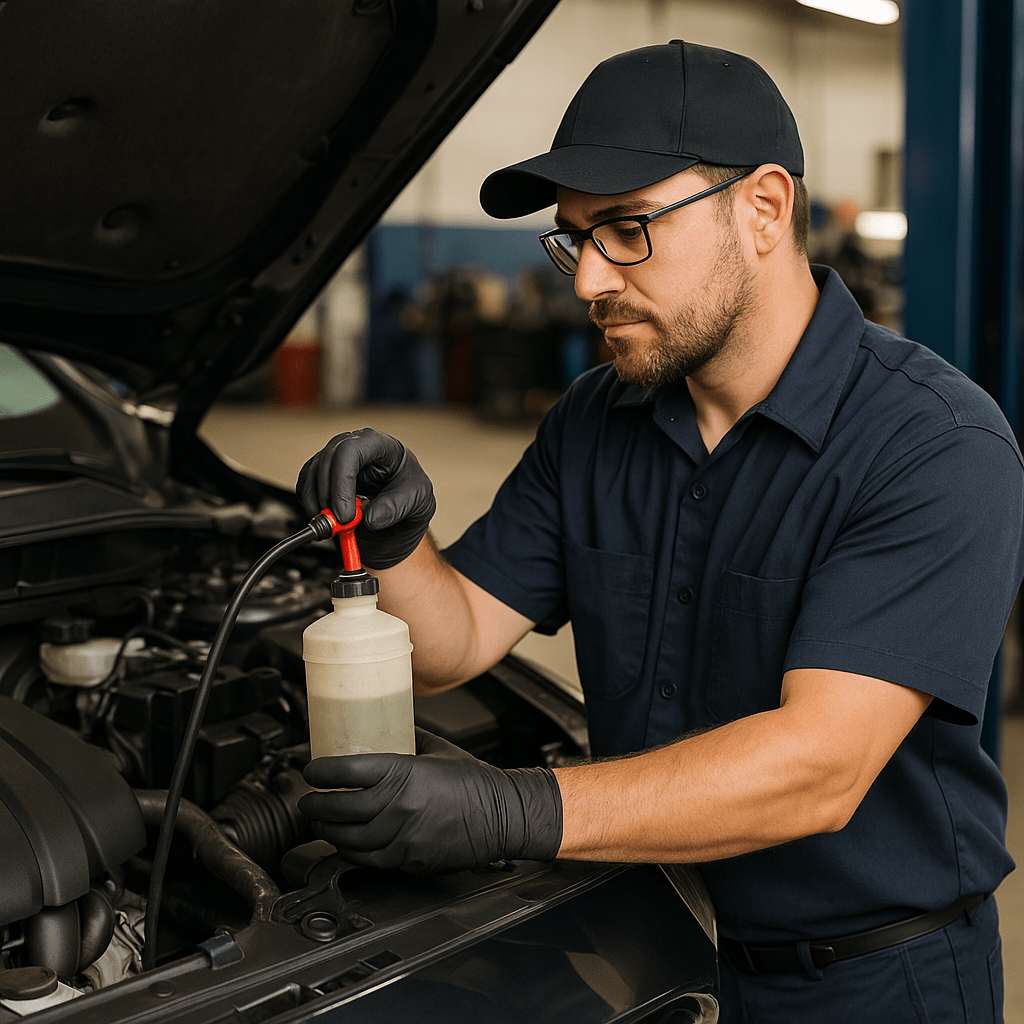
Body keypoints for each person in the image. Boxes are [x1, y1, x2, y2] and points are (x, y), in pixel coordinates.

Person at [295, 40, 1024, 1023]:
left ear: (762, 209)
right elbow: (455, 638)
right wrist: (393, 543)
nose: (587, 279)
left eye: (626, 230)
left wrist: (504, 811)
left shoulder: (932, 443)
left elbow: (816, 768)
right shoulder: (596, 419)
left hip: (866, 981)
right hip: (647, 953)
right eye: (573, 239)